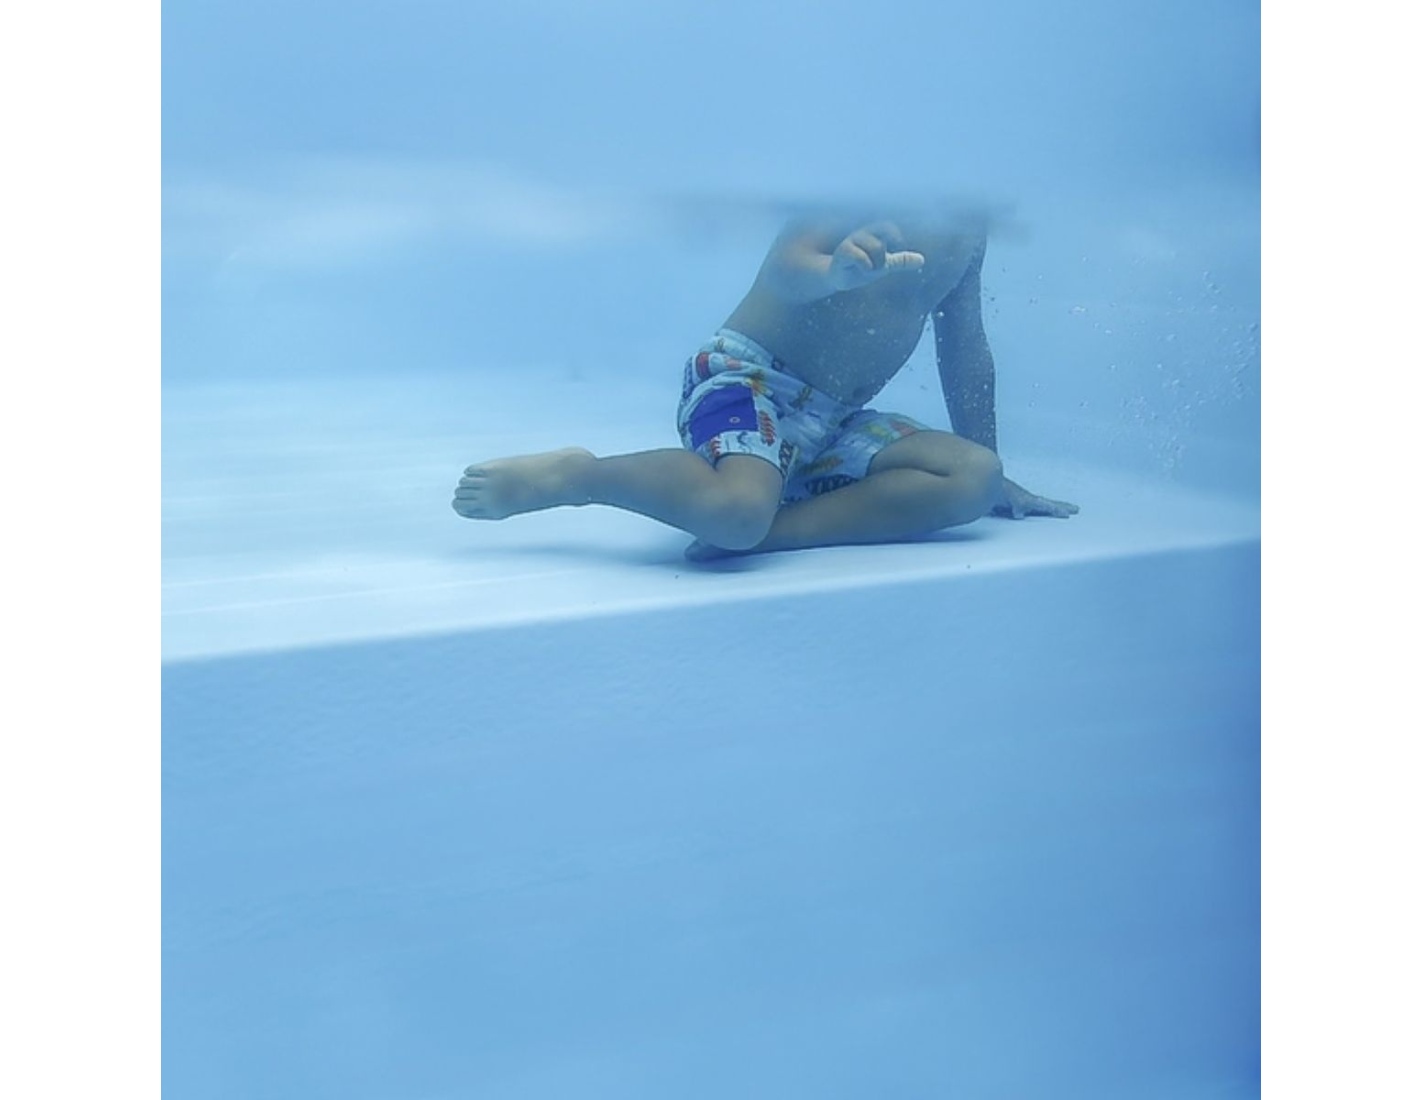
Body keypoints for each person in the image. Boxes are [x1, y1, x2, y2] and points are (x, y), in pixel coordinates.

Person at [452, 213, 1077, 560]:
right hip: (749, 382)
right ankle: (579, 475)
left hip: (835, 420)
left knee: (975, 476)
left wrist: (999, 466)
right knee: (735, 511)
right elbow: (785, 268)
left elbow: (964, 346)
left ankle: (772, 531)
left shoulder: (971, 225)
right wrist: (833, 274)